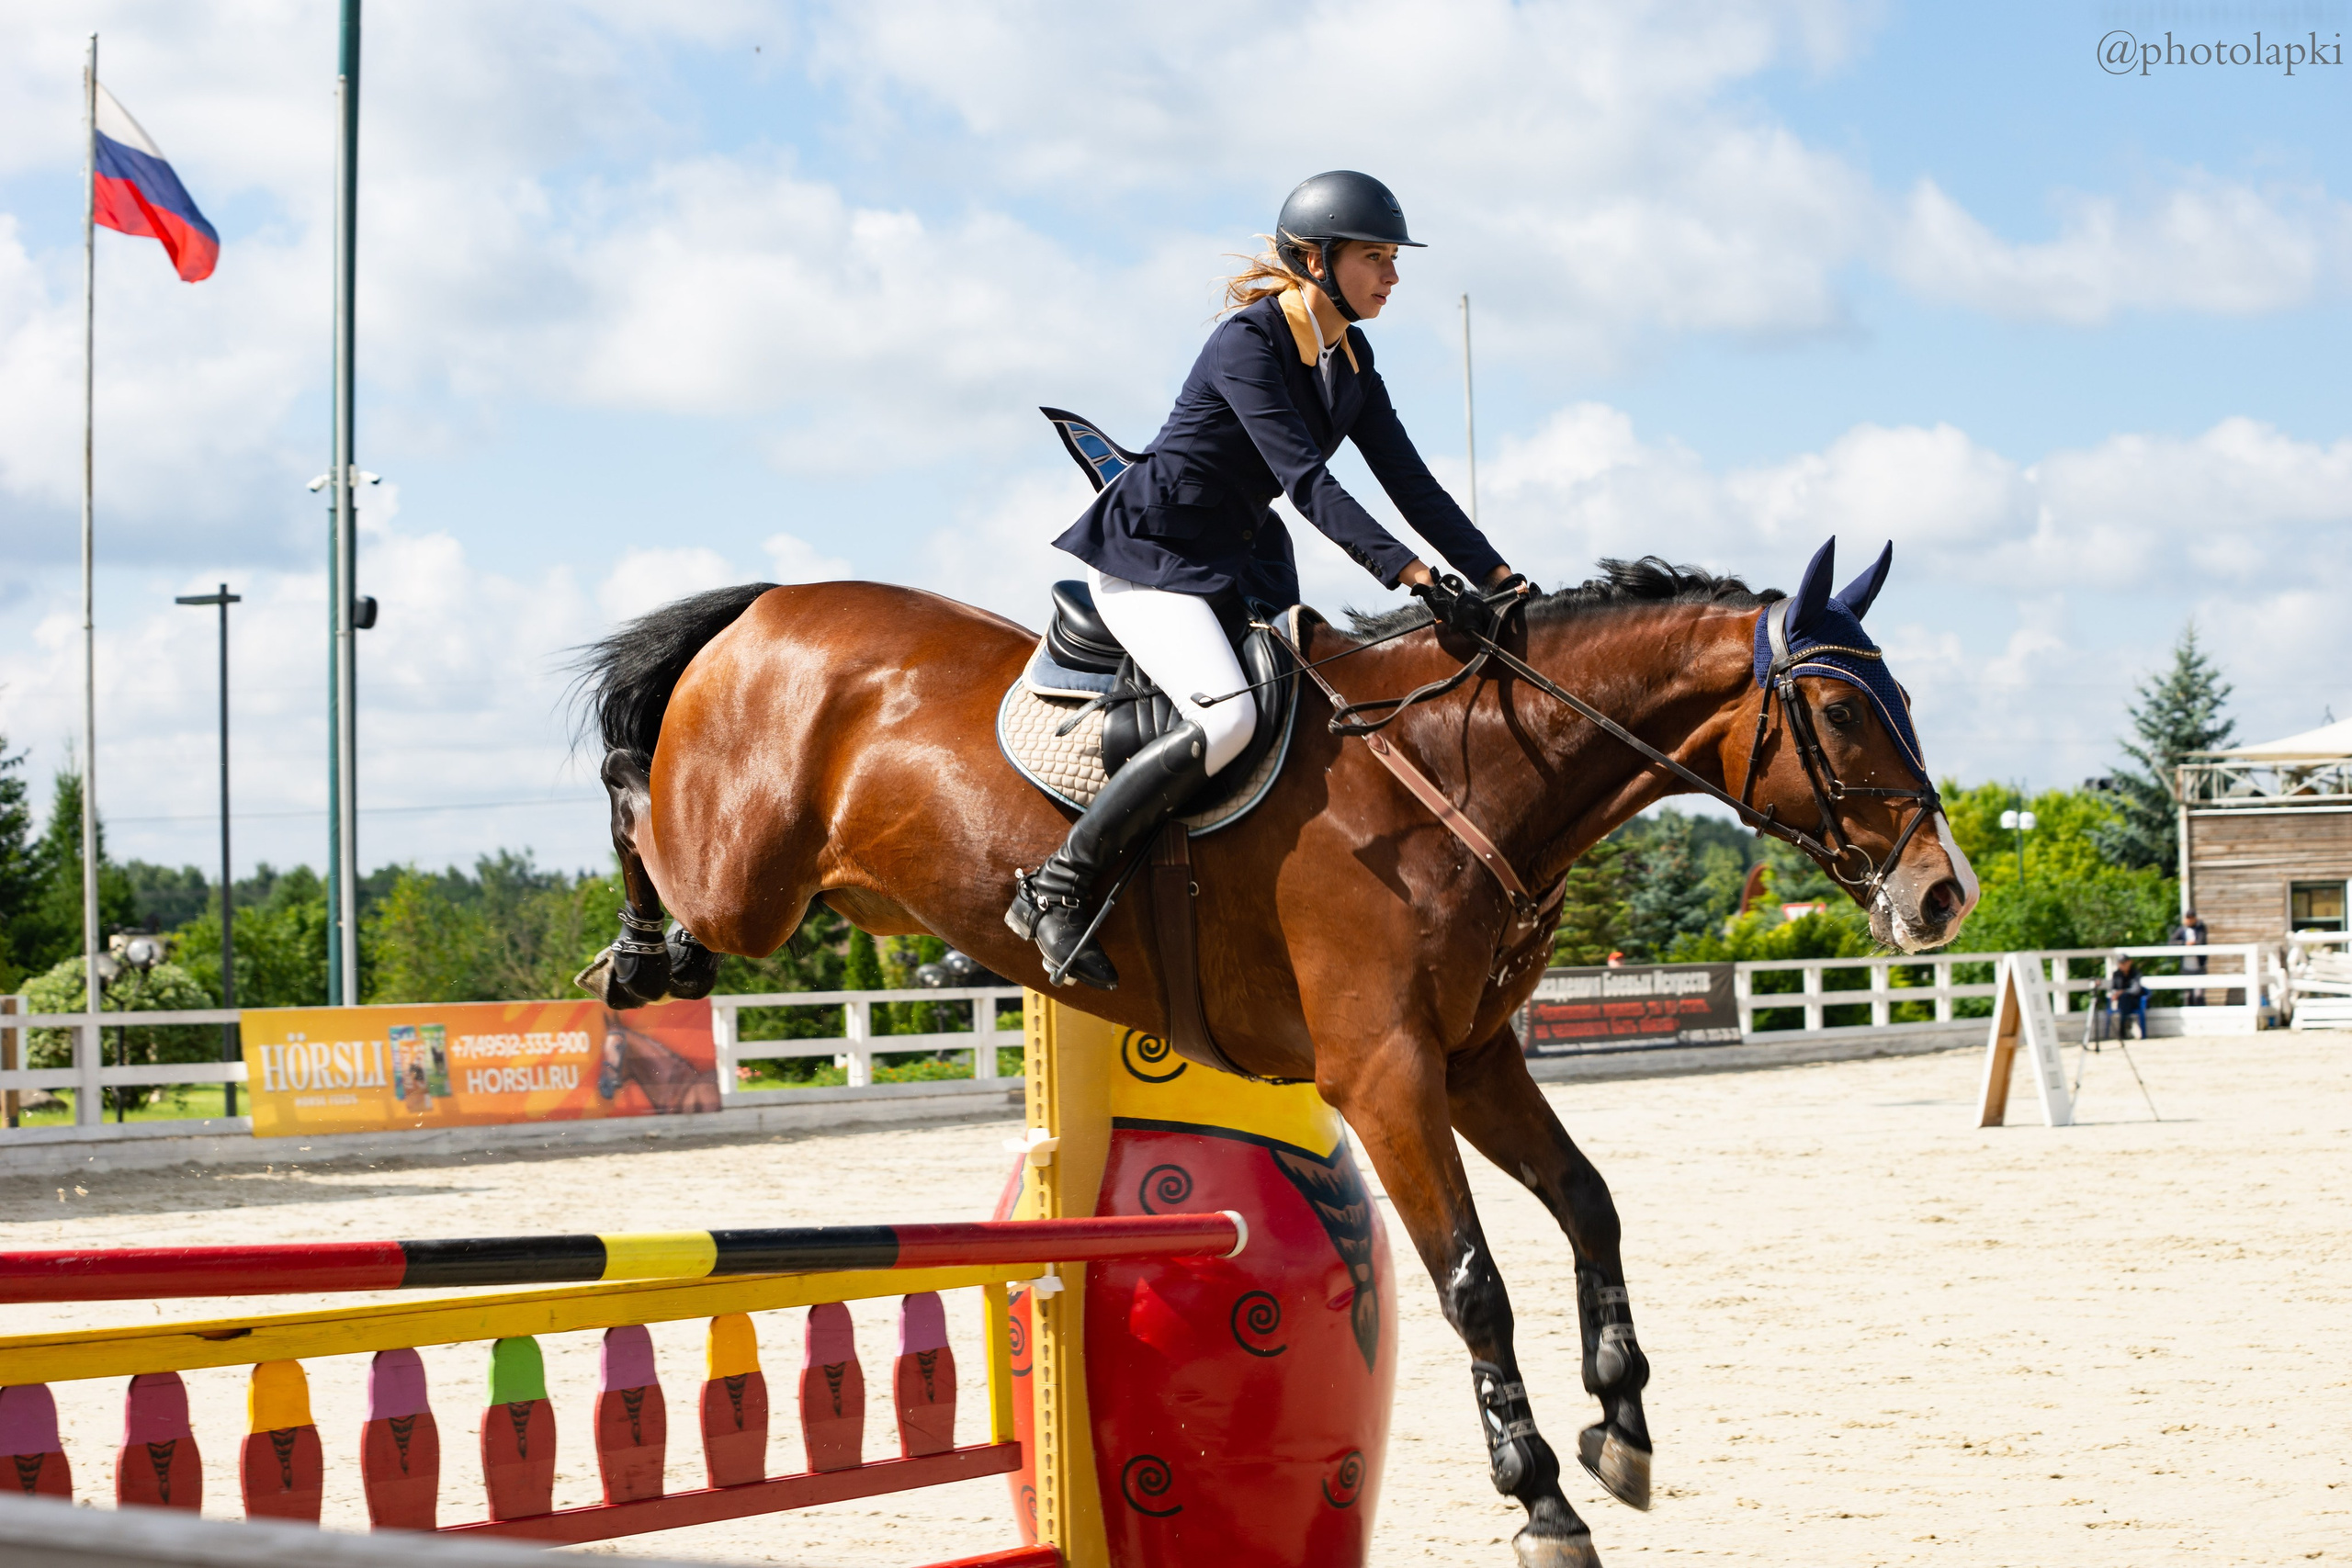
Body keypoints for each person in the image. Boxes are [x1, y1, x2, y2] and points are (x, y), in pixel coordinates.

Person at [1008, 170, 1522, 988]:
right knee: (1230, 723)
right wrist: (1413, 573)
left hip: (1231, 568)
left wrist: (1497, 575)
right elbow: (1309, 480)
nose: (1393, 275)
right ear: (1316, 261)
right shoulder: (1247, 342)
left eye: (1393, 258)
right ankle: (1055, 888)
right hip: (1153, 559)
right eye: (1376, 257)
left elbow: (1410, 481)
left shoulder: (1350, 359)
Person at [2167, 908, 2210, 1007]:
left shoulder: (2200, 928)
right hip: (2186, 968)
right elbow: (2171, 942)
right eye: (2188, 918)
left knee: (2199, 995)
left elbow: (2201, 941)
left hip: (2199, 967)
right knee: (2188, 995)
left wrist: (2193, 944)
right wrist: (2184, 943)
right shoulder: (2182, 930)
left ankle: (2201, 1017)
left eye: (2191, 918)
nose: (2189, 920)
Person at [2107, 957, 2151, 1041]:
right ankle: (2126, 1024)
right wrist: (2116, 994)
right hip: (2122, 1002)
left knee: (2125, 998)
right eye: (2120, 963)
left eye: (2124, 963)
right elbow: (2113, 989)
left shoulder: (2135, 973)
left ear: (2129, 962)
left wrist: (2122, 992)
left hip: (2134, 1000)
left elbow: (2136, 990)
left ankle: (2123, 1028)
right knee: (2124, 999)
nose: (2122, 965)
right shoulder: (2117, 974)